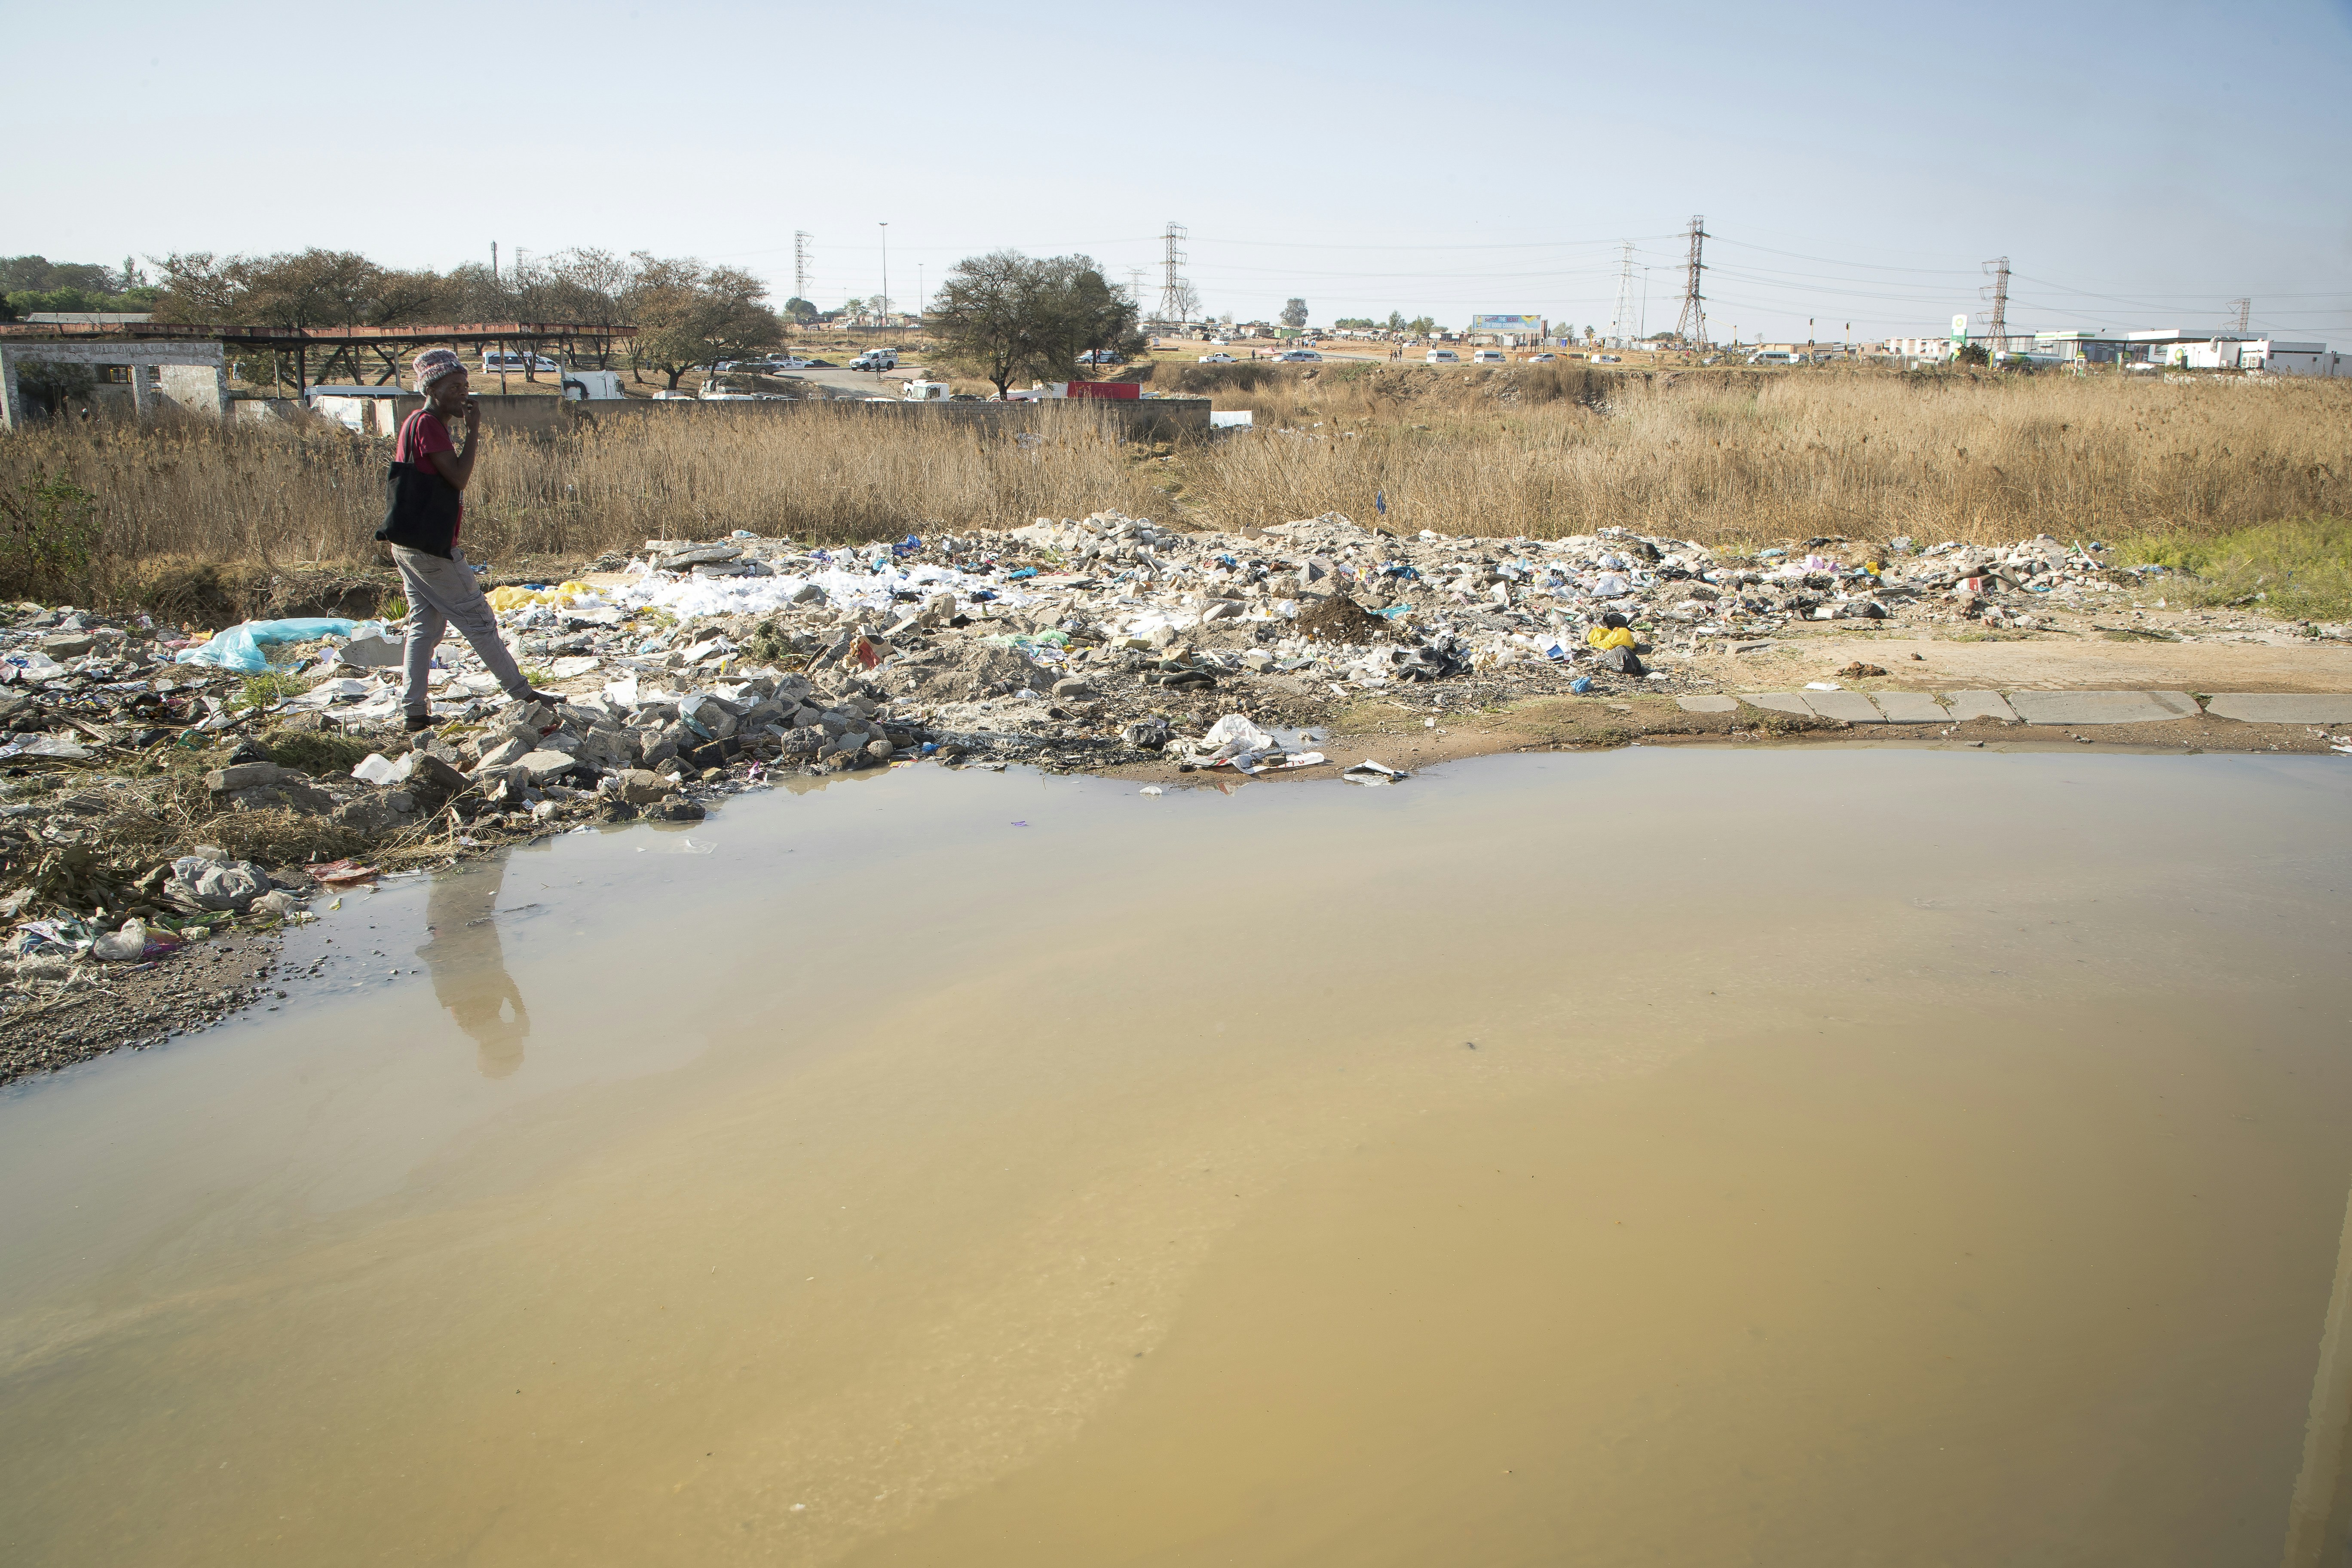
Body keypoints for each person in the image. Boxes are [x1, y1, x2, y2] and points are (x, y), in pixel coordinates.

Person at [390, 348, 549, 732]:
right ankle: (524, 696)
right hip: (431, 546)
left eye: (465, 385)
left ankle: (414, 712)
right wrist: (475, 429)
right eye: (454, 387)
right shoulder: (428, 424)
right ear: (432, 387)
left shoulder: (418, 422)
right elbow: (458, 477)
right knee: (478, 620)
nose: (463, 393)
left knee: (425, 626)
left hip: (408, 542)